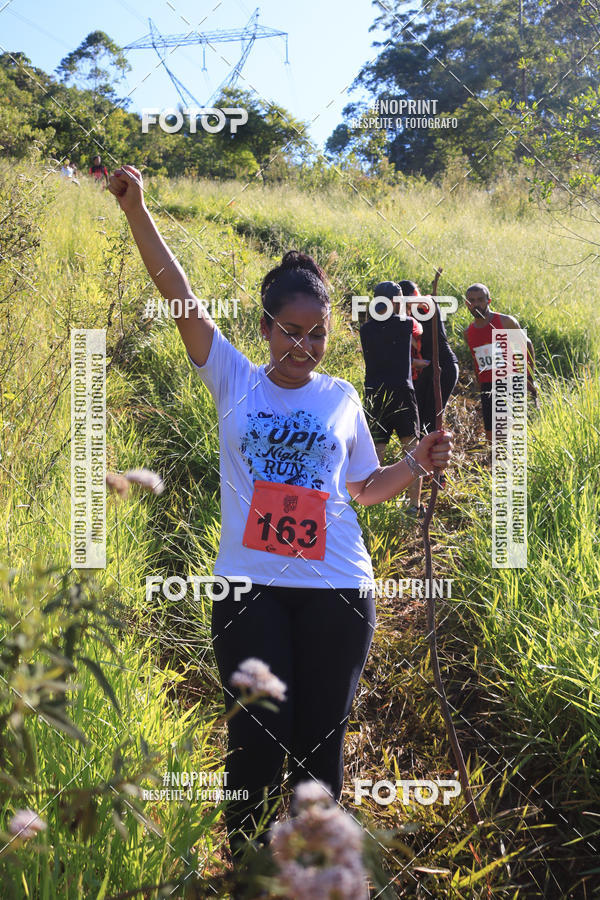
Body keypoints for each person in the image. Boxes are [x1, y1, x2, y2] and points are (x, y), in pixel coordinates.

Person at [107, 164, 453, 864]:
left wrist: (416, 463)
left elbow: (362, 488)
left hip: (338, 588)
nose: (304, 346)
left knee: (323, 742)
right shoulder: (231, 375)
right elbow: (175, 292)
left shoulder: (341, 397)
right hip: (248, 590)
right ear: (264, 328)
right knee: (258, 738)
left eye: (317, 334)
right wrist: (137, 208)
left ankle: (314, 871)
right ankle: (248, 866)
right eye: (291, 332)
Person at [359, 281, 425, 515]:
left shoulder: (366, 329)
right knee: (412, 449)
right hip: (402, 392)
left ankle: (372, 503)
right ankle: (413, 505)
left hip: (374, 393)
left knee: (376, 450)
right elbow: (420, 331)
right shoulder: (407, 324)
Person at [463, 282, 538, 442]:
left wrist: (529, 377)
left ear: (488, 301)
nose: (476, 304)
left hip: (511, 381)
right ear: (466, 303)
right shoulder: (468, 332)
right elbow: (476, 361)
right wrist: (479, 384)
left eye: (480, 300)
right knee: (492, 436)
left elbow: (527, 345)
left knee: (517, 432)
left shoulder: (505, 322)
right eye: (472, 301)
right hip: (488, 387)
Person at [400, 280, 459, 437]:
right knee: (418, 419)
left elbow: (427, 301)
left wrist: (402, 300)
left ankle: (434, 458)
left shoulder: (427, 303)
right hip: (428, 369)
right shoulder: (408, 318)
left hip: (444, 367)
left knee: (430, 420)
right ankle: (421, 458)